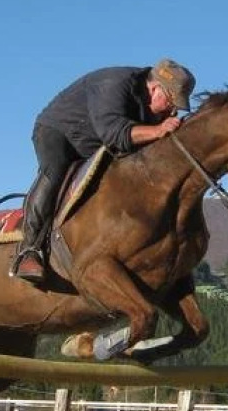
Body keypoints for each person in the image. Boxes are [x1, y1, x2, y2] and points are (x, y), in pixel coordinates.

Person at [10, 59, 196, 284]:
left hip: (94, 141)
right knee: (55, 171)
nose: (172, 110)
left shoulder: (153, 106)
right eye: (170, 101)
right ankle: (29, 250)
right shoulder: (113, 83)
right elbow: (114, 134)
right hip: (59, 133)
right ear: (155, 87)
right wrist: (157, 130)